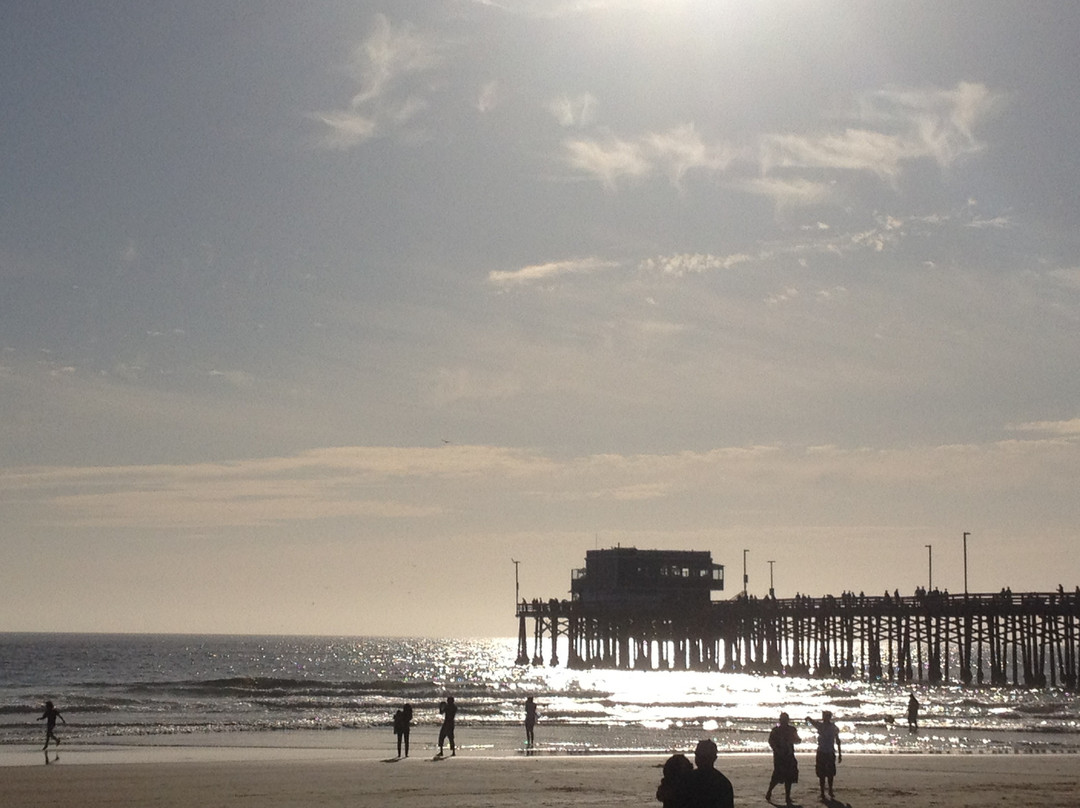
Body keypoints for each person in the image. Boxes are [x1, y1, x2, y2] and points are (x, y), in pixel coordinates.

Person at [684, 738, 734, 808]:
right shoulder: (723, 783)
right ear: (714, 758)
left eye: (701, 756)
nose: (700, 758)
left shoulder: (686, 780)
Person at [765, 712, 800, 804]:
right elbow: (771, 742)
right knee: (777, 775)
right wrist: (777, 750)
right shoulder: (776, 730)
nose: (784, 721)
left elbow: (798, 740)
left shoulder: (791, 730)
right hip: (780, 756)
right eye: (783, 720)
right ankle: (769, 792)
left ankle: (787, 796)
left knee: (788, 777)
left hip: (788, 755)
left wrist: (793, 740)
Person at [807, 711, 842, 801]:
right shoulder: (830, 727)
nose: (823, 718)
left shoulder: (828, 727)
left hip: (826, 751)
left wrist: (840, 754)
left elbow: (838, 741)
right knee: (823, 773)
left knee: (828, 773)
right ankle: (824, 791)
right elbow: (838, 741)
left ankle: (828, 790)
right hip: (825, 751)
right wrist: (809, 719)